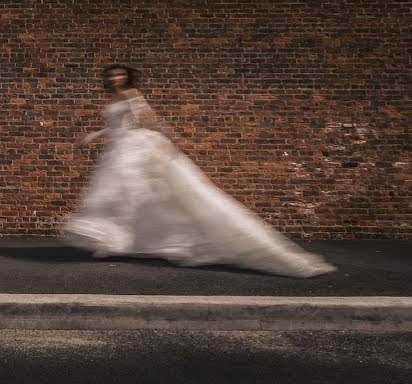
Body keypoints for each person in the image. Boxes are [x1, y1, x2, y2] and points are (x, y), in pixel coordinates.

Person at [66, 64, 336, 278]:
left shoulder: (131, 94)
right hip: (121, 149)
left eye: (120, 75)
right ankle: (122, 241)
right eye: (112, 75)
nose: (115, 79)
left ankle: (121, 240)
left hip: (135, 149)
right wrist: (93, 136)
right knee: (136, 198)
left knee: (128, 196)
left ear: (127, 78)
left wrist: (169, 142)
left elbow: (149, 119)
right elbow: (116, 127)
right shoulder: (115, 97)